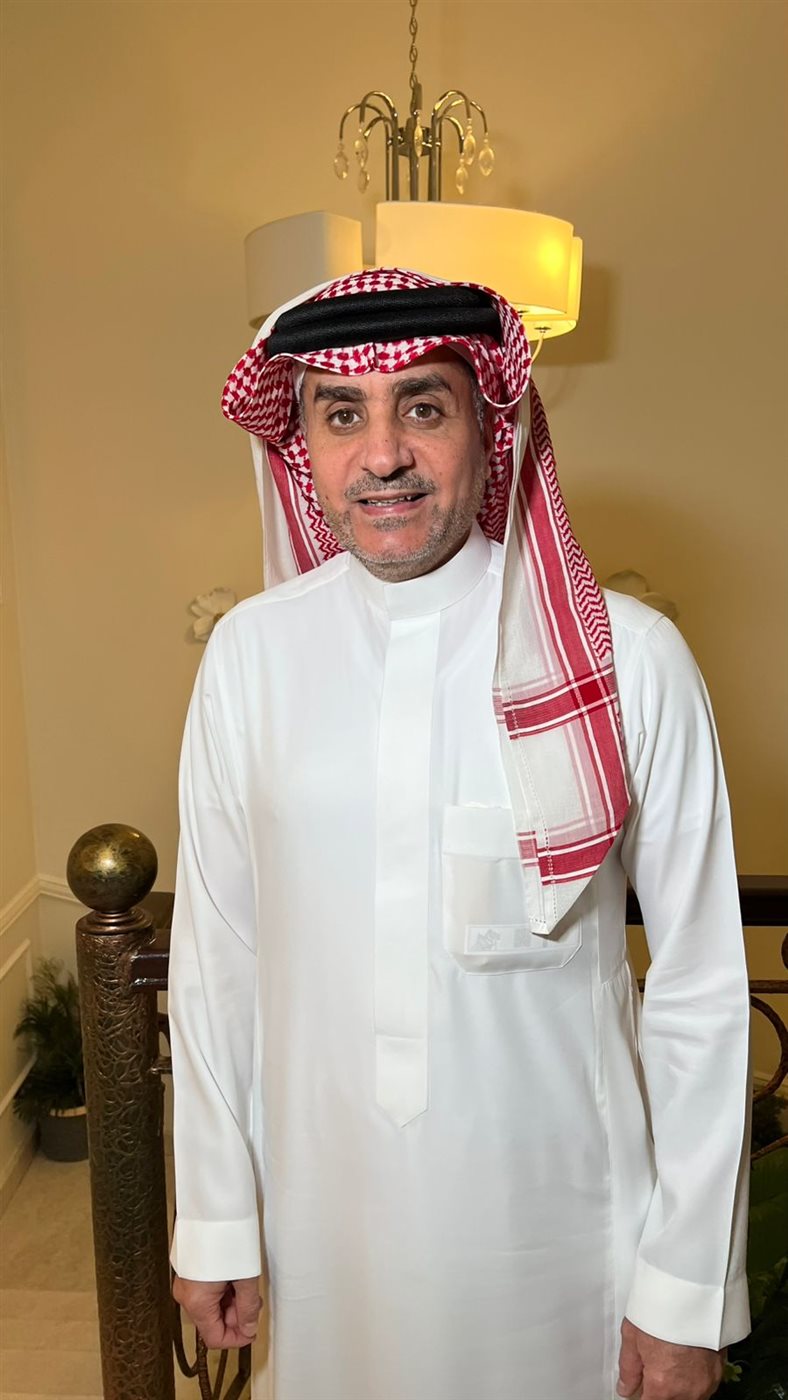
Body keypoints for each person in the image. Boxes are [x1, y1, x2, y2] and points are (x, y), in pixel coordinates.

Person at [169, 269, 751, 1400]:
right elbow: (217, 963)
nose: (381, 454)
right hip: (324, 1240)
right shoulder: (251, 658)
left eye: (423, 408)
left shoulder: (630, 661)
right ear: (303, 445)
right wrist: (217, 1215)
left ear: (492, 429)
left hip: (566, 1250)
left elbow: (699, 989)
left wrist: (683, 1289)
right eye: (342, 413)